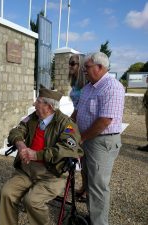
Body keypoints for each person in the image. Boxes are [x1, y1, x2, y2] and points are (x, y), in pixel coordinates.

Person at [0, 86, 83, 225]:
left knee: (32, 201)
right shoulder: (33, 118)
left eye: (37, 101)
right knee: (6, 193)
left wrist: (37, 155)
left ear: (48, 106)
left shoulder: (66, 124)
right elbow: (16, 131)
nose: (33, 104)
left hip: (52, 175)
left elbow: (68, 149)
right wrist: (21, 145)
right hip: (27, 170)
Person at [75, 52, 125, 225]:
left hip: (101, 142)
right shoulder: (89, 87)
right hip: (88, 140)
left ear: (100, 67)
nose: (84, 71)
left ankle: (99, 222)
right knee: (89, 181)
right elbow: (79, 111)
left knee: (98, 187)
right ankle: (93, 217)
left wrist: (82, 137)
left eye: (87, 67)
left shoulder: (113, 87)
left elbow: (105, 120)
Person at [68, 54, 88, 202]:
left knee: (86, 160)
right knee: (80, 158)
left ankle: (87, 190)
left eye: (73, 63)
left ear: (80, 65)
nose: (70, 66)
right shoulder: (75, 83)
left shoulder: (87, 84)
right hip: (76, 122)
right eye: (70, 63)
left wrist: (70, 120)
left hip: (83, 124)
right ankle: (84, 187)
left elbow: (82, 107)